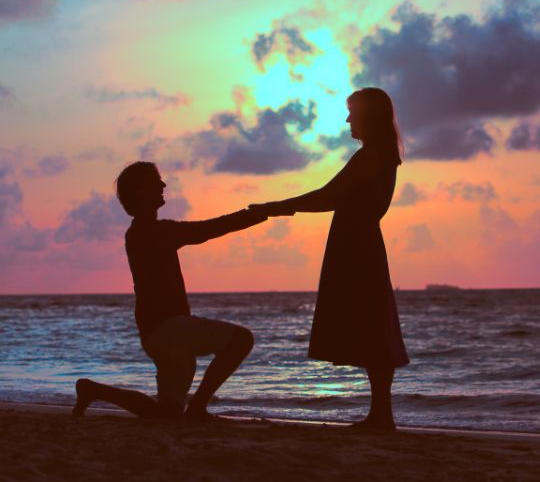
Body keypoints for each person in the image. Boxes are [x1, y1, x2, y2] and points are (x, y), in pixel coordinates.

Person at [249, 87, 409, 431]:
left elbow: (327, 197)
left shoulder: (370, 156)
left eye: (353, 112)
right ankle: (381, 413)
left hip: (357, 245)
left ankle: (382, 415)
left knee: (372, 326)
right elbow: (332, 197)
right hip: (359, 241)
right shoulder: (381, 154)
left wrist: (274, 208)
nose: (348, 119)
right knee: (372, 325)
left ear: (369, 116)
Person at [73, 161, 269, 421]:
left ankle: (93, 390)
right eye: (156, 181)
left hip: (158, 334)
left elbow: (206, 230)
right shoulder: (151, 231)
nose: (163, 185)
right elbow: (210, 229)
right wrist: (258, 214)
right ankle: (198, 408)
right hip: (168, 329)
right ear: (141, 190)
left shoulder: (141, 231)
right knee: (241, 339)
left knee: (166, 413)